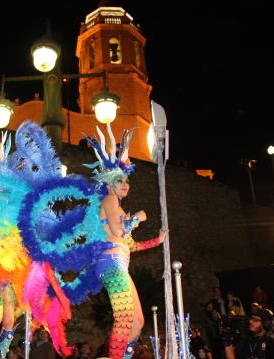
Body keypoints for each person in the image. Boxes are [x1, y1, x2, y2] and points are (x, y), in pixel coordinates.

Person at [83, 124, 166, 359]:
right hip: (110, 262)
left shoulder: (118, 207)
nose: (125, 184)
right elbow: (120, 232)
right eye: (119, 180)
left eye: (126, 179)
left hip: (120, 263)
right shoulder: (109, 201)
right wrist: (136, 219)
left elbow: (130, 245)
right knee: (125, 316)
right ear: (109, 183)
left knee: (137, 322)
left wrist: (157, 241)